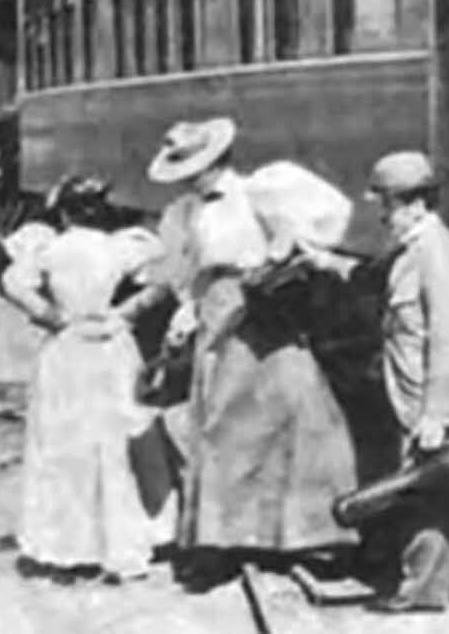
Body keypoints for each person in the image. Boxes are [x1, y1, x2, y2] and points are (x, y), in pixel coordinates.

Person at [113, 118, 358, 592]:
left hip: (263, 312)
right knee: (223, 427)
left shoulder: (260, 192)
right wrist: (187, 311)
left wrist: (276, 261)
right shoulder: (190, 210)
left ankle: (312, 533)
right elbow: (189, 271)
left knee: (296, 417)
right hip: (217, 314)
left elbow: (310, 239)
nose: (189, 177)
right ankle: (224, 541)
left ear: (215, 162)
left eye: (194, 168)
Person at [306, 151, 449, 613]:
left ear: (416, 204)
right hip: (403, 391)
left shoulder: (436, 252)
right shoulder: (409, 247)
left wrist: (436, 413)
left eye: (388, 205)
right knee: (412, 487)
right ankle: (413, 575)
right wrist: (323, 261)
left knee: (424, 490)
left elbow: (448, 337)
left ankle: (423, 591)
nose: (382, 215)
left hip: (422, 397)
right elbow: (368, 279)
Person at [0, 175, 169, 585]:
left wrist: (54, 316)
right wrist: (126, 313)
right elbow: (164, 281)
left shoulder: (47, 248)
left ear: (64, 210)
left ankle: (66, 547)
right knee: (112, 444)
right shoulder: (120, 247)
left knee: (64, 443)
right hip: (111, 347)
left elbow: (13, 284)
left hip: (68, 348)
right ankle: (119, 545)